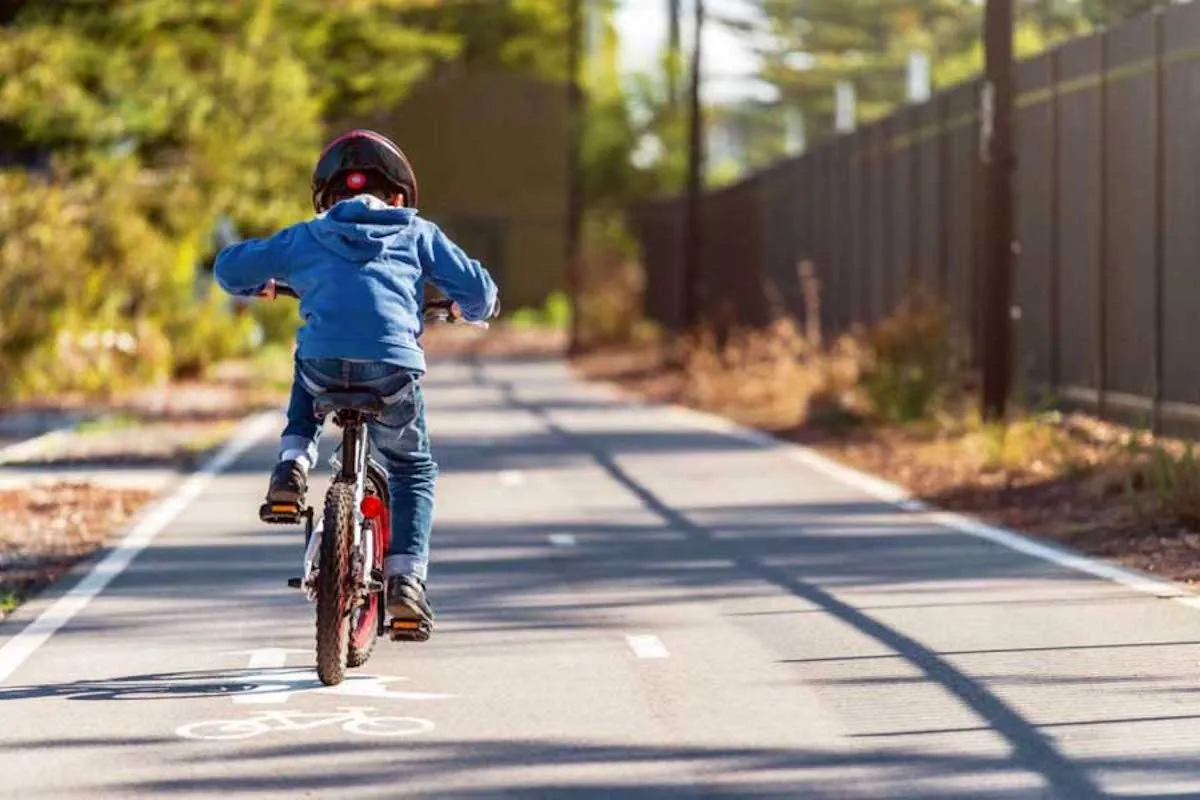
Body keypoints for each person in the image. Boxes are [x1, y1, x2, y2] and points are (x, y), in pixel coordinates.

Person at [213, 129, 499, 636]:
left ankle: (292, 463)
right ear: (398, 197)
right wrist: (466, 309)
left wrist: (266, 283)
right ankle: (406, 582)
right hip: (391, 372)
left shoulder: (308, 234)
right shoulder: (416, 232)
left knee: (311, 355)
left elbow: (229, 268)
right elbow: (479, 291)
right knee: (413, 468)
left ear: (329, 199)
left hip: (324, 369)